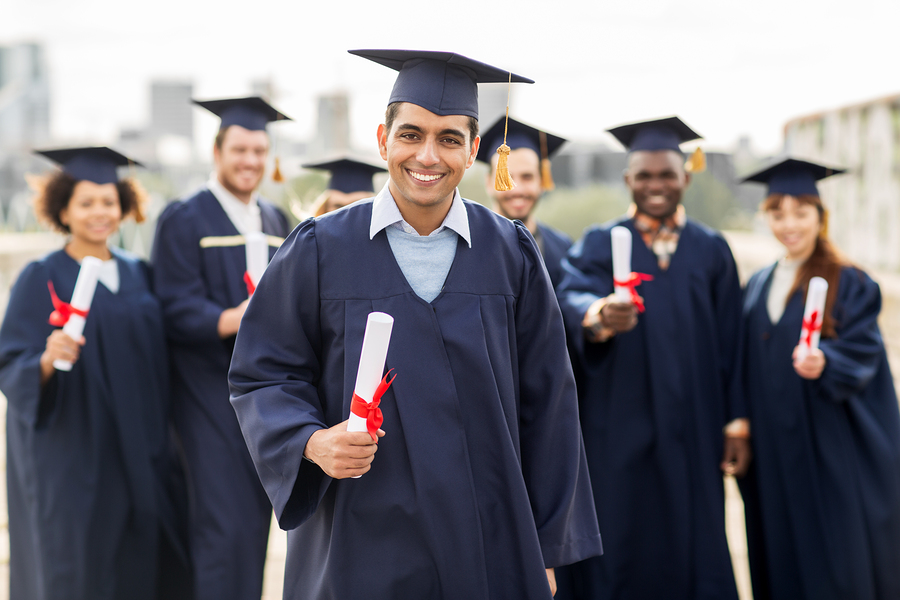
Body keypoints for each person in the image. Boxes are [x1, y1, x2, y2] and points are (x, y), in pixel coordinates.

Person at [228, 49, 602, 600]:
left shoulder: (511, 255)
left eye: (450, 138)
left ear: (474, 149)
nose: (428, 155)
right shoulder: (319, 248)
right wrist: (310, 441)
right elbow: (262, 374)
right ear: (383, 139)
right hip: (358, 539)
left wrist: (545, 547)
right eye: (411, 134)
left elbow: (549, 404)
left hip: (488, 536)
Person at [555, 116, 748, 600]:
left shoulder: (711, 249)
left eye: (667, 174)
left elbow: (732, 339)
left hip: (695, 427)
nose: (655, 185)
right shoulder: (601, 242)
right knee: (625, 537)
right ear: (628, 180)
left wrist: (736, 423)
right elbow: (569, 297)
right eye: (644, 175)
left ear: (686, 176)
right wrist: (598, 315)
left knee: (695, 534)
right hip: (621, 426)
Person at [0, 147, 191, 600]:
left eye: (108, 201)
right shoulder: (41, 277)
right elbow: (11, 364)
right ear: (63, 209)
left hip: (141, 453)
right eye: (86, 203)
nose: (99, 212)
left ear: (123, 206)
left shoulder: (141, 274)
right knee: (79, 572)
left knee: (142, 565)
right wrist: (48, 357)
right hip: (75, 459)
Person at [737, 158, 900, 600]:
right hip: (775, 449)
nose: (789, 224)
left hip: (827, 447)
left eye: (801, 212)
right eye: (777, 212)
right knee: (782, 555)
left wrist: (826, 361)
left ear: (820, 216)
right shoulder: (758, 284)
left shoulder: (850, 281)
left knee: (835, 563)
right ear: (765, 215)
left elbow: (865, 350)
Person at [151, 96, 292, 600]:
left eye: (259, 150)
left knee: (253, 526)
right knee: (221, 528)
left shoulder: (277, 219)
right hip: (206, 397)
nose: (250, 161)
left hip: (265, 401)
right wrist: (237, 317)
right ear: (217, 151)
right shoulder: (185, 218)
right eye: (239, 149)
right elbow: (170, 305)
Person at [477, 115, 571, 288]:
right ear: (489, 182)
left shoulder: (563, 248)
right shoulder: (469, 245)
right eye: (505, 176)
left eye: (527, 177)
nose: (517, 189)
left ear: (542, 181)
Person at [304, 155, 387, 216]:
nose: (346, 214)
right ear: (324, 209)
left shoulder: (389, 238)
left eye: (357, 206)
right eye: (338, 206)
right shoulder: (311, 238)